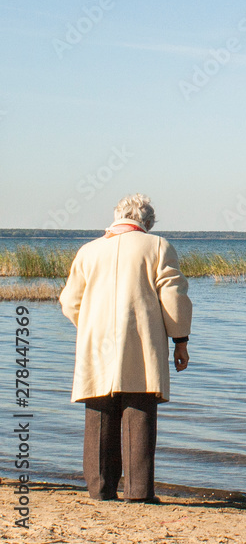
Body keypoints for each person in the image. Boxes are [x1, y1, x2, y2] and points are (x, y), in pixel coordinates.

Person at [59, 193, 192, 503]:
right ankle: (139, 492)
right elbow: (174, 298)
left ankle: (100, 490)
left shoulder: (88, 251)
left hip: (97, 343)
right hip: (142, 341)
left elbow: (69, 301)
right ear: (147, 222)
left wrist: (91, 324)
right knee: (139, 412)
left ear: (118, 216)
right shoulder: (158, 246)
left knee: (99, 414)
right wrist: (180, 341)